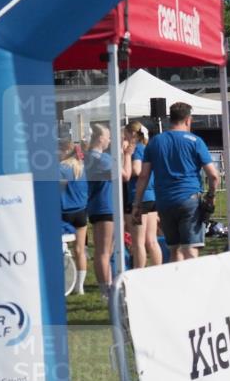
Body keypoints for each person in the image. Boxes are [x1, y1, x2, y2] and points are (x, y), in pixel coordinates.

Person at [132, 102, 220, 262]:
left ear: (169, 119)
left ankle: (177, 283)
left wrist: (137, 204)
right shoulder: (195, 141)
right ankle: (192, 283)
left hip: (164, 201)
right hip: (189, 199)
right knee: (191, 249)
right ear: (188, 120)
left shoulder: (155, 142)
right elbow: (214, 175)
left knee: (175, 249)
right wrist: (211, 195)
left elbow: (143, 176)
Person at [85, 123, 133, 298]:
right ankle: (105, 290)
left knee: (107, 250)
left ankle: (108, 286)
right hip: (105, 206)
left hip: (101, 205)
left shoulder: (91, 157)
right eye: (108, 137)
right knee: (104, 251)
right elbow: (126, 175)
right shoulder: (101, 159)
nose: (110, 140)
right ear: (100, 138)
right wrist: (127, 154)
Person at [125, 121, 162, 269]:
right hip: (151, 197)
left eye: (126, 134)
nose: (124, 137)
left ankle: (139, 273)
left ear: (132, 134)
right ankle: (158, 270)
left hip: (139, 198)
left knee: (138, 241)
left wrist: (125, 160)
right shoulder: (147, 147)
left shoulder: (138, 149)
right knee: (152, 239)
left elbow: (137, 170)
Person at [59, 138, 89, 295]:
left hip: (64, 212)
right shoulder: (81, 167)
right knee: (80, 249)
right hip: (81, 212)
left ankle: (64, 282)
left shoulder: (61, 168)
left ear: (64, 151)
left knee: (60, 246)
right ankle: (80, 287)